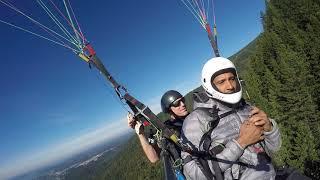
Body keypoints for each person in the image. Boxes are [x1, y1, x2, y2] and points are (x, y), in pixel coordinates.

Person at [181, 57, 281, 180]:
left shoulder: (246, 107)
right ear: (209, 85)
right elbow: (194, 174)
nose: (230, 86)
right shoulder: (196, 120)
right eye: (221, 82)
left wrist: (270, 129)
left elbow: (274, 150)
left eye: (232, 79)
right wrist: (240, 143)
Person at [127, 90, 189, 163]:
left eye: (183, 100)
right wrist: (140, 133)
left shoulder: (195, 115)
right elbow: (154, 158)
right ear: (169, 109)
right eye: (177, 103)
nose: (182, 104)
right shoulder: (167, 129)